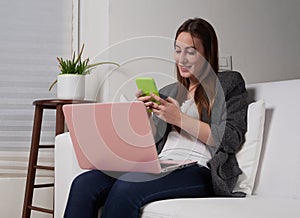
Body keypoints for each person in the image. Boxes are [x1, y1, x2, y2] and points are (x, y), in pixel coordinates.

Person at [64, 17, 248, 218]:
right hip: (162, 163)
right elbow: (153, 142)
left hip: (200, 169)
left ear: (207, 53)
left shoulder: (229, 82)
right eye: (178, 51)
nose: (182, 59)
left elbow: (231, 138)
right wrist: (145, 117)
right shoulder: (169, 92)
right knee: (84, 183)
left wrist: (179, 118)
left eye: (191, 52)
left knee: (126, 188)